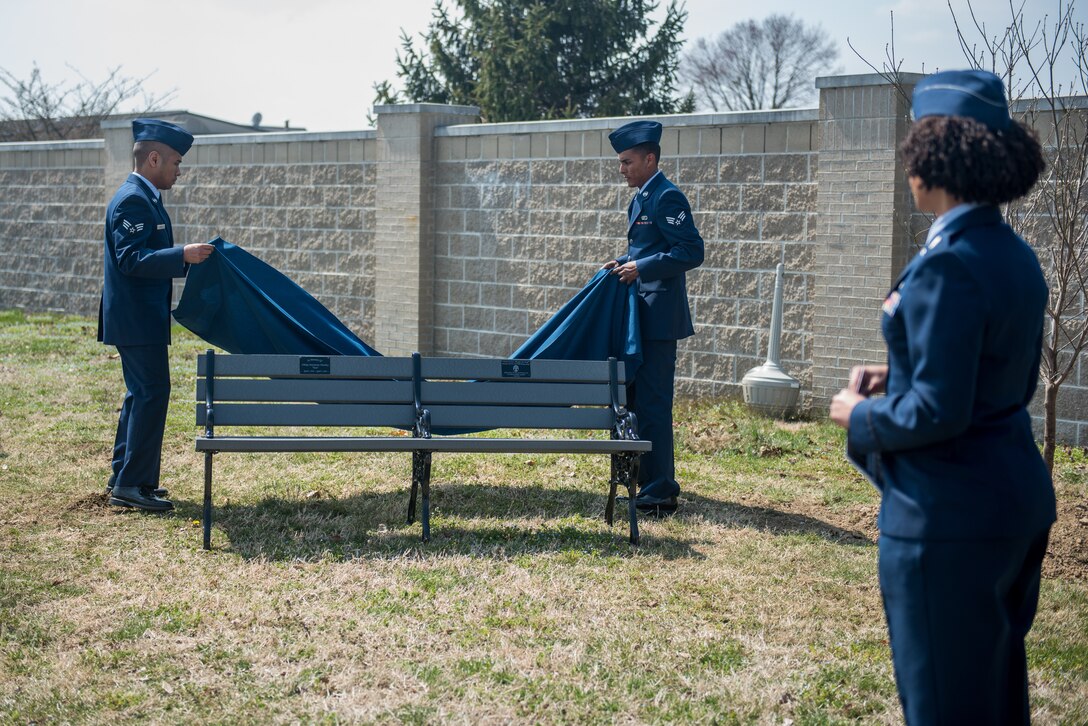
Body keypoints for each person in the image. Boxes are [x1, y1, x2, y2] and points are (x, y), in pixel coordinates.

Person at [829, 70, 1056, 724]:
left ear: (933, 159)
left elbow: (939, 410)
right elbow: (1000, 378)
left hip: (948, 518)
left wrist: (860, 415)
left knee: (944, 708)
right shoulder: (1014, 255)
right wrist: (901, 372)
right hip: (1012, 502)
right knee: (995, 699)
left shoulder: (947, 262)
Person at [99, 119, 215, 512]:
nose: (179, 170)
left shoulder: (145, 198)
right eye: (176, 162)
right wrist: (182, 255)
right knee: (151, 393)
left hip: (139, 319)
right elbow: (131, 259)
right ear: (154, 159)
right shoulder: (133, 200)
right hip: (135, 320)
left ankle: (128, 477)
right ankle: (131, 484)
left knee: (141, 394)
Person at [604, 120, 704, 516]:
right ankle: (643, 482)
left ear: (650, 159)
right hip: (639, 319)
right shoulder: (641, 197)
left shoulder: (667, 197)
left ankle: (661, 490)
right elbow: (645, 249)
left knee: (654, 404)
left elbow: (691, 251)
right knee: (634, 402)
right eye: (620, 162)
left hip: (659, 321)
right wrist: (625, 261)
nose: (621, 169)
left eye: (627, 162)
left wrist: (641, 267)